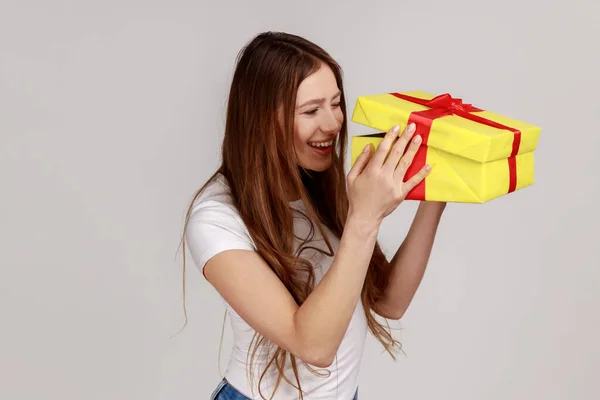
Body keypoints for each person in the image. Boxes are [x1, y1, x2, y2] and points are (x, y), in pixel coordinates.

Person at [181, 31, 446, 400]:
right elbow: (313, 346)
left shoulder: (317, 188)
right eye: (311, 110)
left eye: (336, 103)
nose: (334, 123)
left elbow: (390, 300)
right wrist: (364, 219)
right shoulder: (215, 219)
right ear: (261, 121)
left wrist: (437, 191)